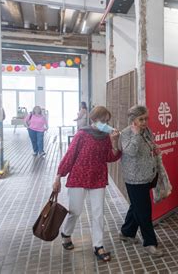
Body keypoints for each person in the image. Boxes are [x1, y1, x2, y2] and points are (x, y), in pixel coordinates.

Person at [52, 106, 121, 262]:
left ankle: (98, 246)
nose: (106, 124)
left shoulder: (106, 136)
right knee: (75, 211)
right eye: (103, 121)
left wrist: (114, 142)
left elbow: (110, 157)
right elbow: (70, 155)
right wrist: (58, 176)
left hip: (97, 178)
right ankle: (66, 233)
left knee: (98, 213)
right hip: (78, 177)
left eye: (107, 121)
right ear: (93, 120)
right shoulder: (82, 134)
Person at [118, 105, 163, 257]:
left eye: (146, 118)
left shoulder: (146, 131)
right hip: (134, 179)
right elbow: (129, 152)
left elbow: (150, 144)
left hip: (148, 175)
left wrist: (155, 148)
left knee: (137, 206)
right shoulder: (125, 133)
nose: (144, 122)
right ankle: (150, 243)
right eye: (141, 119)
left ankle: (126, 232)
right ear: (133, 120)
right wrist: (136, 135)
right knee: (144, 211)